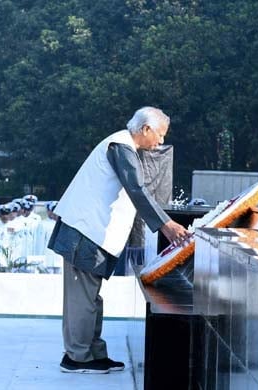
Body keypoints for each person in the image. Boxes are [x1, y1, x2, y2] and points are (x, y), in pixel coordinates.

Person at [48, 106, 191, 374]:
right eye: (159, 135)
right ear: (145, 129)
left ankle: (92, 353)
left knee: (90, 297)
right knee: (82, 298)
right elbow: (136, 188)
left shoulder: (124, 147)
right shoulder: (120, 146)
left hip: (91, 235)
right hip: (84, 233)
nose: (161, 142)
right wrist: (167, 225)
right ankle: (77, 357)